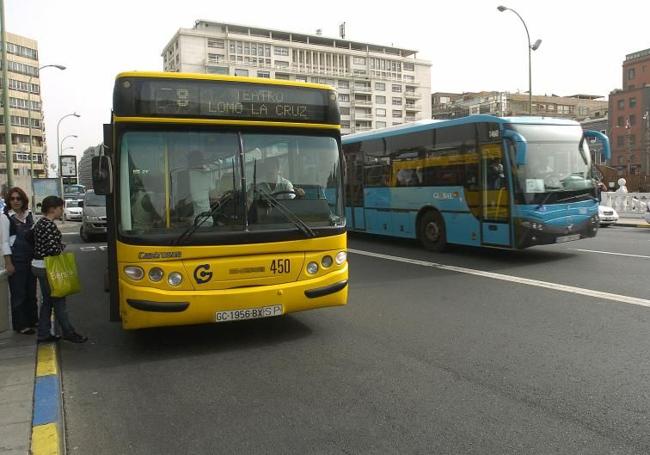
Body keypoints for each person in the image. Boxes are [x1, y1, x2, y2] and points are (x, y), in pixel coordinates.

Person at [32, 196, 87, 343]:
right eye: (60, 208)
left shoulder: (40, 223)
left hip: (39, 265)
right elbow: (53, 249)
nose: (62, 211)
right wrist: (62, 246)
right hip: (48, 267)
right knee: (59, 300)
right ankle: (68, 332)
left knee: (48, 302)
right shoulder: (48, 225)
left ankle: (43, 333)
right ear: (52, 209)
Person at [1, 187, 37, 334]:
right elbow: (4, 242)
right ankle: (21, 325)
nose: (16, 201)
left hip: (31, 258)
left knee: (31, 291)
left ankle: (32, 319)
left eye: (19, 198)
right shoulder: (5, 218)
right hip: (17, 259)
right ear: (9, 201)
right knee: (19, 293)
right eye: (12, 199)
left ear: (24, 200)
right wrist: (8, 263)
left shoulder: (29, 215)